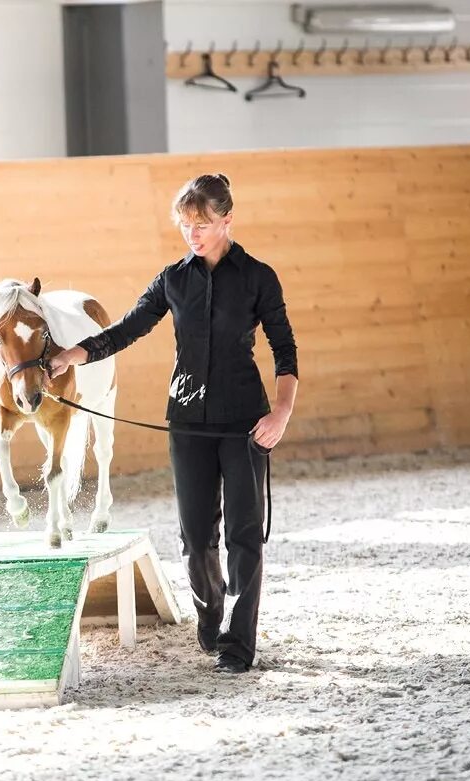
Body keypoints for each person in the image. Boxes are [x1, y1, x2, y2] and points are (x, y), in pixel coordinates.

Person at [47, 173, 299, 674]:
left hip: (246, 424)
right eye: (185, 224)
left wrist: (281, 411)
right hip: (186, 422)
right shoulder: (172, 279)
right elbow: (127, 328)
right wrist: (72, 355)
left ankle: (238, 645)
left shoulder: (258, 277)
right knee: (195, 535)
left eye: (202, 223)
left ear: (227, 219)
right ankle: (211, 620)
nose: (192, 233)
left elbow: (284, 348)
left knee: (244, 537)